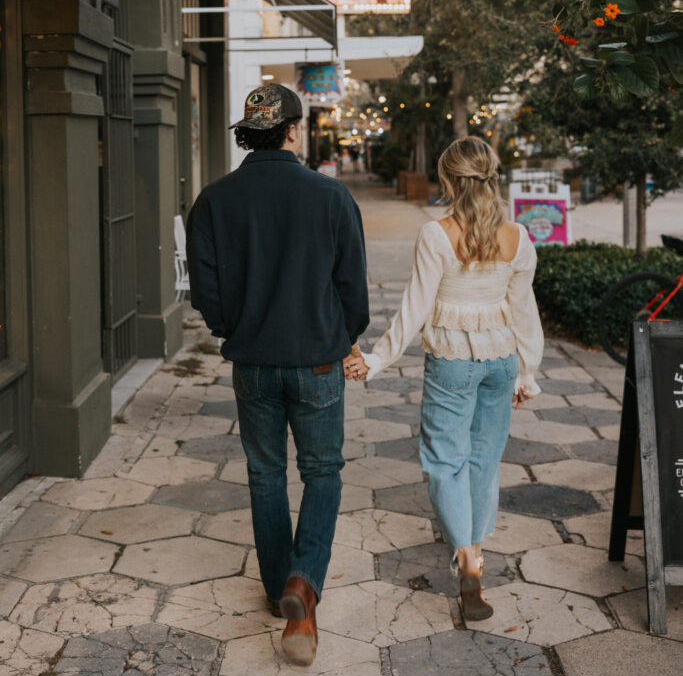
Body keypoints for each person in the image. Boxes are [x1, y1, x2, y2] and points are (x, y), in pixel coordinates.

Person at [187, 84, 369, 666]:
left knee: (266, 474)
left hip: (253, 363)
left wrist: (234, 329)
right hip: (317, 361)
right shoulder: (331, 196)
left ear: (250, 131)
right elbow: (353, 291)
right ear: (293, 130)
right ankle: (302, 582)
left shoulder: (213, 201)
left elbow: (206, 293)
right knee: (323, 472)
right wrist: (345, 337)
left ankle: (278, 591)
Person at [344, 136, 543, 620]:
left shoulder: (437, 235)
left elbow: (414, 309)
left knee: (443, 459)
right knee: (484, 459)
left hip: (453, 360)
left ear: (449, 180)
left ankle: (466, 556)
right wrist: (527, 373)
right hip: (501, 360)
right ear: (492, 176)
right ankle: (475, 546)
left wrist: (376, 359)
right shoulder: (518, 237)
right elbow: (524, 312)